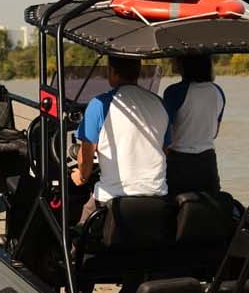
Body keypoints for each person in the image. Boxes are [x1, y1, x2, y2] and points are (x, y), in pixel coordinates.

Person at [71, 55, 169, 222]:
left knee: (79, 228)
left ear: (112, 71)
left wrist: (81, 176)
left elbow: (86, 160)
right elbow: (165, 150)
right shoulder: (160, 103)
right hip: (156, 197)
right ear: (138, 71)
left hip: (112, 200)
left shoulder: (99, 104)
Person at [161, 54, 225, 194]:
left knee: (176, 204)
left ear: (184, 63)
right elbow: (215, 133)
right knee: (211, 204)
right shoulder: (218, 91)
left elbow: (165, 135)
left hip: (179, 163)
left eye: (175, 56)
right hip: (208, 163)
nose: (171, 59)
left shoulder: (173, 92)